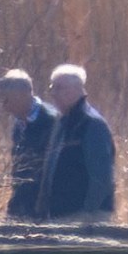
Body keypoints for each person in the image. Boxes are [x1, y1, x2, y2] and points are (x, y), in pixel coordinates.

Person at [37, 63, 116, 222]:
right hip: (59, 215)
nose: (53, 93)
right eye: (52, 88)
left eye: (59, 88)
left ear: (76, 90)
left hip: (84, 217)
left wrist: (87, 213)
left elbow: (101, 177)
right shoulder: (62, 122)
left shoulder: (92, 124)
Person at [0, 69, 58, 221]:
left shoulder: (52, 121)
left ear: (23, 95)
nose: (4, 107)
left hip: (50, 206)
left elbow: (56, 170)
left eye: (6, 100)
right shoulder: (19, 124)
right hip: (24, 202)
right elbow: (20, 170)